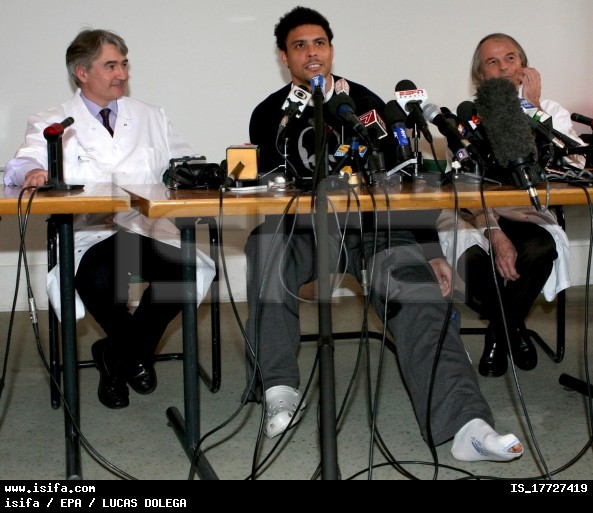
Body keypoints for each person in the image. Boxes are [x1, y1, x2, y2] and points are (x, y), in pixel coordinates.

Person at [244, 6, 523, 463]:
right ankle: (279, 389)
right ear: (284, 57)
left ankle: (466, 426)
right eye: (299, 46)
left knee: (420, 296)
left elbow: (405, 181)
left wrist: (429, 249)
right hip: (307, 232)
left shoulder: (366, 103)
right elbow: (269, 186)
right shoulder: (269, 114)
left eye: (319, 43)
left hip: (376, 232)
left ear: (331, 49)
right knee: (263, 244)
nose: (311, 53)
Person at [3, 29, 215, 409]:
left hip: (147, 227)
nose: (122, 74)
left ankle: (116, 355)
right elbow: (21, 163)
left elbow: (183, 164)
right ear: (82, 73)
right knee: (98, 277)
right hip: (89, 232)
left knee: (182, 275)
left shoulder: (150, 116)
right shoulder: (53, 121)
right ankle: (132, 355)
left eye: (124, 64)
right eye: (111, 66)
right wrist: (33, 172)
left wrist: (204, 173)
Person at [437, 33, 584, 378]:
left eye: (510, 59)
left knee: (540, 249)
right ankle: (513, 329)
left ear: (524, 66)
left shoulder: (550, 111)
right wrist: (494, 232)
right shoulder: (465, 120)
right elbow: (462, 186)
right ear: (480, 76)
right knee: (475, 262)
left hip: (527, 212)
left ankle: (497, 335)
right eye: (492, 62)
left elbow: (574, 164)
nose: (503, 67)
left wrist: (533, 108)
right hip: (477, 215)